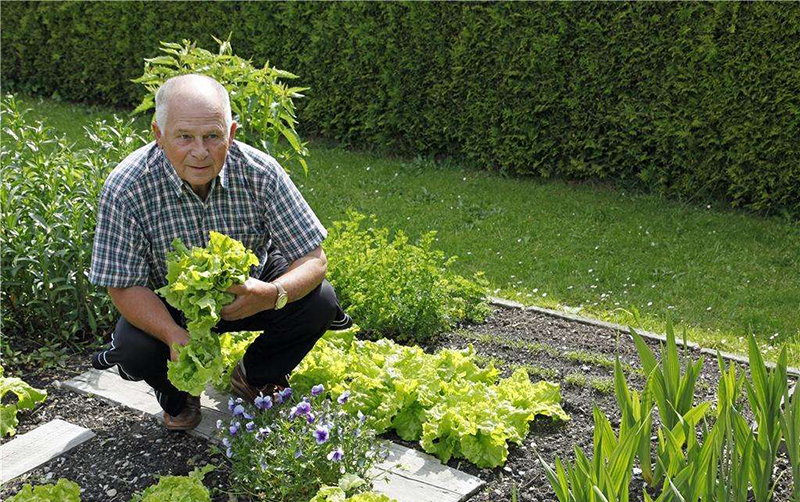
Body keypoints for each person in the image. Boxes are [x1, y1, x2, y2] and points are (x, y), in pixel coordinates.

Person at [88, 74, 351, 431]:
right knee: (133, 347)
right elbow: (123, 286)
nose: (200, 151)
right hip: (174, 305)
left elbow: (313, 258)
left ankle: (256, 374)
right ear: (158, 134)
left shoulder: (260, 173)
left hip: (250, 288)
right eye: (184, 137)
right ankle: (180, 394)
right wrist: (172, 335)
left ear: (232, 132)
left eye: (213, 136)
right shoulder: (127, 186)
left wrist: (271, 294)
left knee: (320, 299)